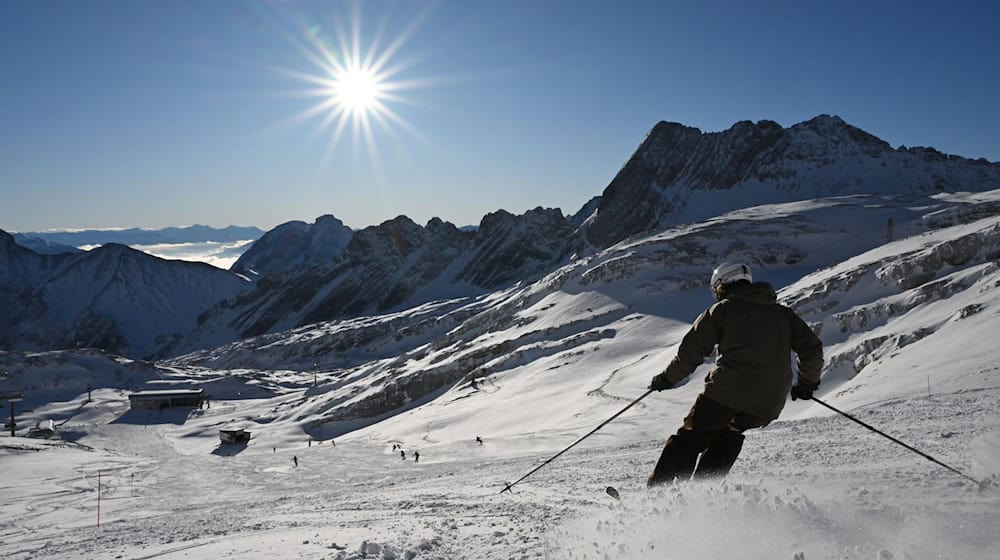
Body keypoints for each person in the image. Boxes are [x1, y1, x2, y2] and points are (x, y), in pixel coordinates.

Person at [646, 262, 823, 487]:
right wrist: (807, 383)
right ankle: (701, 496)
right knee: (728, 433)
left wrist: (667, 378)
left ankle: (658, 495)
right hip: (768, 403)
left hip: (727, 392)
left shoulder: (723, 310)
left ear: (722, 285)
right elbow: (812, 349)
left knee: (690, 438)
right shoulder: (783, 314)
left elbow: (691, 351)